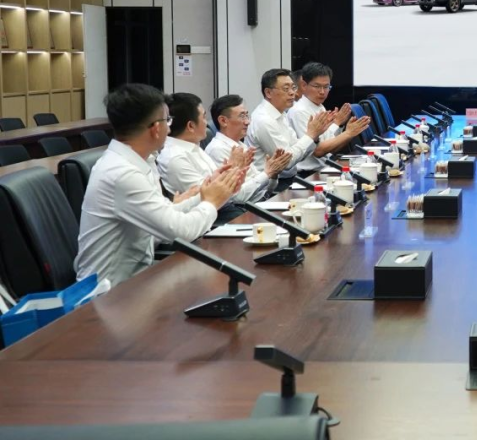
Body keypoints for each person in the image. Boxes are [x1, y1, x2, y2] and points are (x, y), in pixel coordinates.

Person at [74, 84, 244, 286]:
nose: (170, 128)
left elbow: (165, 217)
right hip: (110, 291)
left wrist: (210, 191)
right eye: (167, 120)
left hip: (138, 275)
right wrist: (211, 202)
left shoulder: (141, 161)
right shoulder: (122, 173)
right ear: (156, 128)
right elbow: (179, 231)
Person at [157, 93, 291, 206]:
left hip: (247, 204)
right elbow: (218, 199)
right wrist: (234, 172)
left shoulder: (195, 148)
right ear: (191, 126)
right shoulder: (176, 158)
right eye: (203, 117)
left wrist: (272, 173)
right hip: (222, 215)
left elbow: (262, 189)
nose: (206, 122)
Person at [246, 68, 333, 178]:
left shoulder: (281, 113)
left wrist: (314, 137)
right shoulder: (264, 120)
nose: (292, 93)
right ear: (268, 92)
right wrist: (310, 135)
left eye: (293, 87)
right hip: (271, 185)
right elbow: (286, 162)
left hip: (289, 178)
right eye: (286, 89)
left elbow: (298, 150)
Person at [287, 62, 370, 172]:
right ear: (304, 85)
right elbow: (318, 151)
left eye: (326, 87)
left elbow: (332, 146)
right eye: (317, 86)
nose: (322, 92)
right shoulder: (299, 111)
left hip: (326, 166)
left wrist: (345, 130)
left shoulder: (319, 106)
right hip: (308, 174)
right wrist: (348, 133)